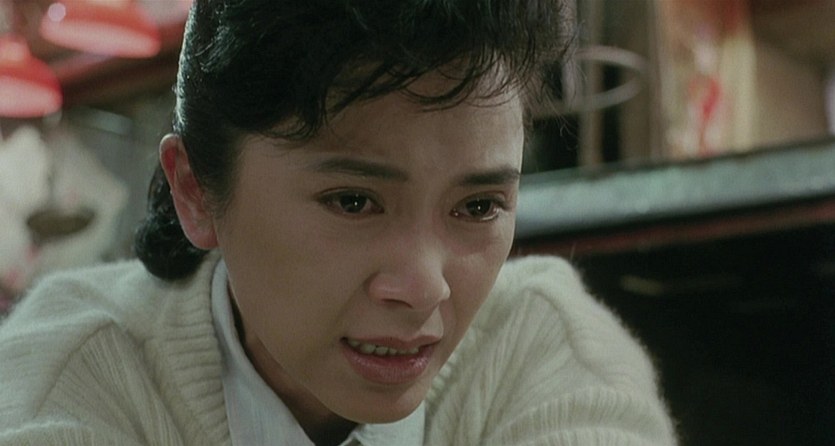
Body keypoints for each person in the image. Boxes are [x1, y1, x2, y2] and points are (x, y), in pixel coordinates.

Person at [0, 0, 677, 444]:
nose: (424, 289)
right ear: (195, 191)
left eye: (477, 207)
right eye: (353, 201)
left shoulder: (545, 351)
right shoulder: (71, 376)